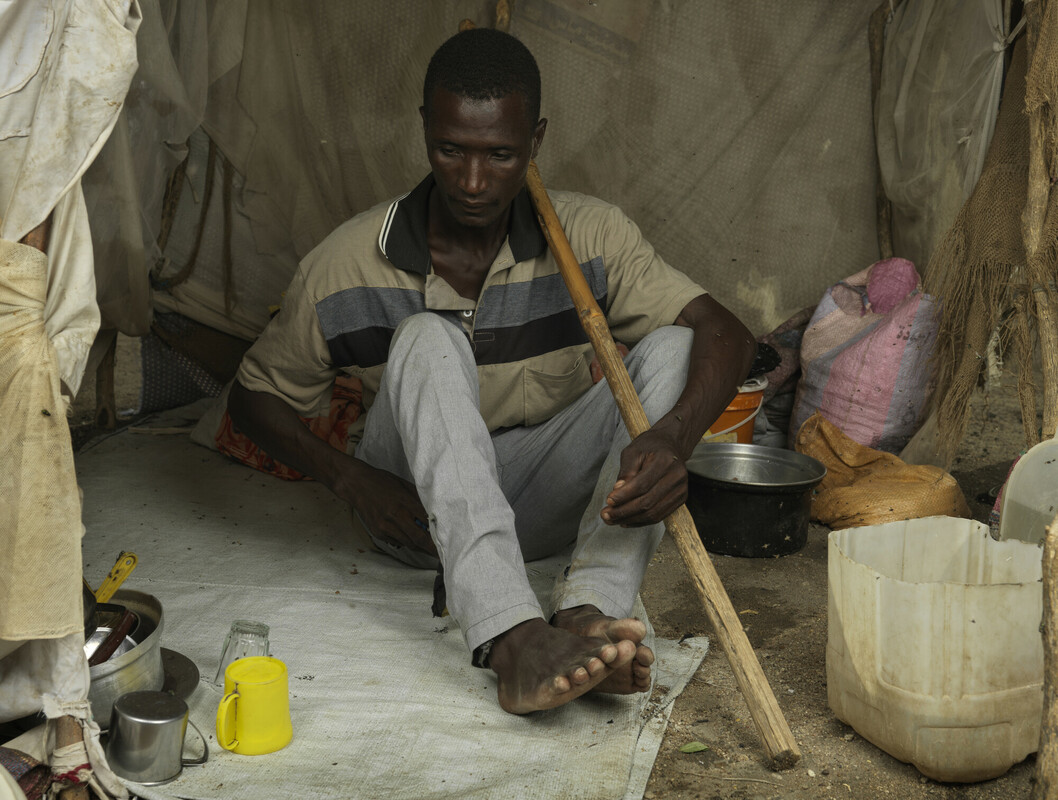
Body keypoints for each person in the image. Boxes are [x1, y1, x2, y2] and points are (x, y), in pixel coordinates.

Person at [227, 27, 755, 715]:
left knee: (676, 349)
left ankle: (587, 616)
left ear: (536, 142)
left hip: (543, 500)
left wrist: (673, 440)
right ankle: (512, 641)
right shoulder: (346, 263)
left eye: (500, 155)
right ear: (424, 129)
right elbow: (251, 399)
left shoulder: (590, 239)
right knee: (426, 338)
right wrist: (352, 480)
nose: (473, 182)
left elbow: (728, 333)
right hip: (417, 517)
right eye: (452, 150)